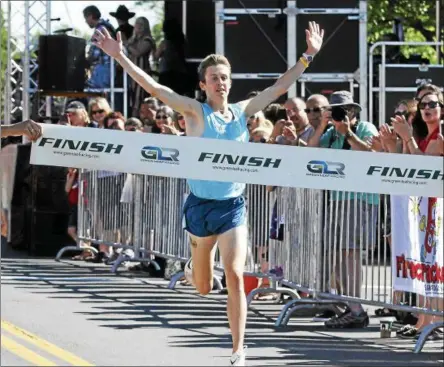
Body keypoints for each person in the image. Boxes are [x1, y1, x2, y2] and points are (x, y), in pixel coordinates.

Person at [92, 21, 324, 366]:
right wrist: (121, 57)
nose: (221, 82)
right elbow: (155, 88)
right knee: (202, 287)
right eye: (214, 77)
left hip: (232, 206)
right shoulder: (195, 112)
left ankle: (238, 350)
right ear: (204, 84)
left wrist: (308, 55)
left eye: (225, 77)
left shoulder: (243, 111)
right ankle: (191, 270)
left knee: (233, 273)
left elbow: (278, 87)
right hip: (199, 207)